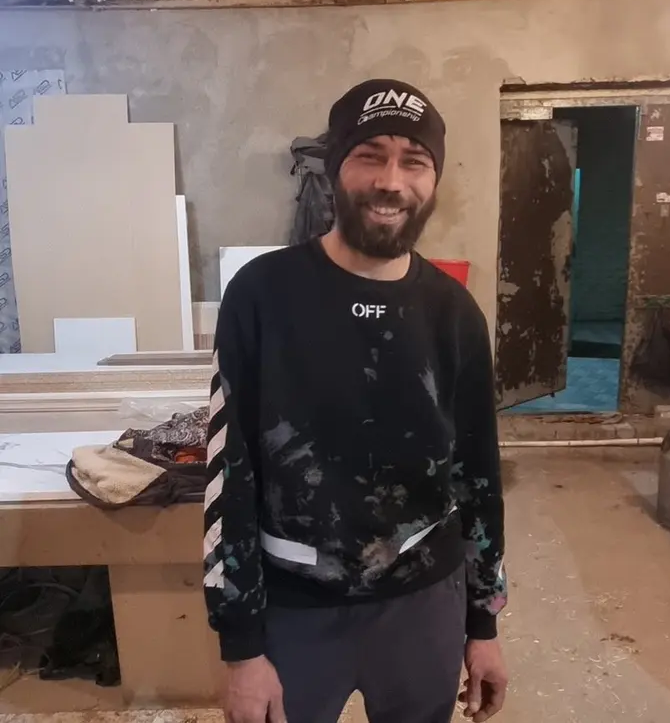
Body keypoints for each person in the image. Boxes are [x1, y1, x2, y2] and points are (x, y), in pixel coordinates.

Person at [203, 78, 508, 723]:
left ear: (434, 179)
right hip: (295, 611)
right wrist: (242, 649)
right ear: (335, 167)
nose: (391, 182)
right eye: (370, 156)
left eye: (414, 161)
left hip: (424, 605)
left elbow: (479, 477)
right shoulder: (262, 296)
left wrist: (483, 624)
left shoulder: (454, 314)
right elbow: (230, 476)